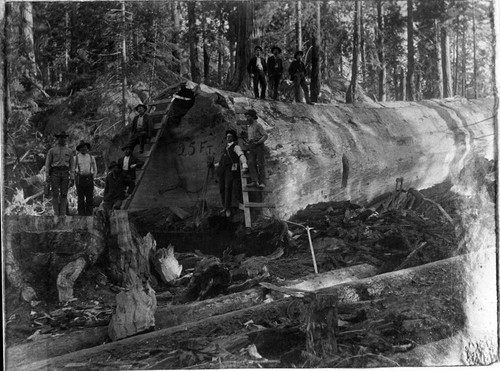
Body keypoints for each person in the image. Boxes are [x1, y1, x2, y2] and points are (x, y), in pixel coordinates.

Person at [215, 129, 248, 218]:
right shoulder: (226, 148)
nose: (228, 138)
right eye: (227, 136)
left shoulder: (235, 147)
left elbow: (241, 155)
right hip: (222, 170)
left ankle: (228, 208)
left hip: (230, 170)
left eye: (230, 136)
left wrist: (244, 163)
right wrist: (214, 165)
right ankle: (224, 207)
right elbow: (222, 161)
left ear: (233, 138)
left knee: (228, 188)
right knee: (222, 188)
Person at [45, 131, 75, 216]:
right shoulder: (52, 150)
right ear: (58, 139)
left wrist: (72, 176)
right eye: (61, 137)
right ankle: (56, 213)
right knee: (55, 193)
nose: (63, 139)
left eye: (64, 137)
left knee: (64, 193)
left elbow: (72, 165)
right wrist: (47, 175)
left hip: (65, 173)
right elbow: (47, 163)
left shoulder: (69, 151)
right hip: (55, 173)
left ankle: (62, 213)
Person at [243, 109, 268, 189]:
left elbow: (265, 135)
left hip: (259, 146)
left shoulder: (258, 125)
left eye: (248, 116)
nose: (247, 118)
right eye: (246, 117)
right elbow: (251, 138)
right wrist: (248, 143)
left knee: (261, 164)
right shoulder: (249, 127)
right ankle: (254, 181)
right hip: (252, 146)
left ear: (253, 117)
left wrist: (259, 142)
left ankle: (262, 183)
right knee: (250, 162)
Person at [73, 140, 97, 216]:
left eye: (85, 147)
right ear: (79, 149)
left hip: (89, 178)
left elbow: (95, 168)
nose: (84, 149)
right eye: (82, 147)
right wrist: (74, 181)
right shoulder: (75, 158)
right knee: (80, 199)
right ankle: (81, 215)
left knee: (89, 198)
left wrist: (93, 177)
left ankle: (89, 215)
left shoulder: (91, 157)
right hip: (80, 179)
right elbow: (73, 170)